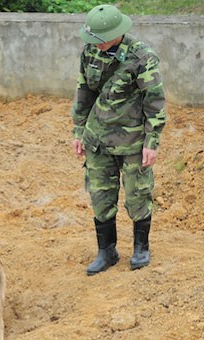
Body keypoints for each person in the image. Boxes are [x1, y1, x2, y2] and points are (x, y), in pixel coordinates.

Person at [71, 4, 166, 275]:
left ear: (115, 34)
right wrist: (79, 131)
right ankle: (107, 251)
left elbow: (155, 102)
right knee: (100, 195)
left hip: (132, 141)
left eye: (98, 39)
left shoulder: (142, 57)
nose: (94, 44)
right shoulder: (90, 52)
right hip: (98, 139)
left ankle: (140, 248)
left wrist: (152, 141)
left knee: (138, 194)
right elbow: (83, 93)